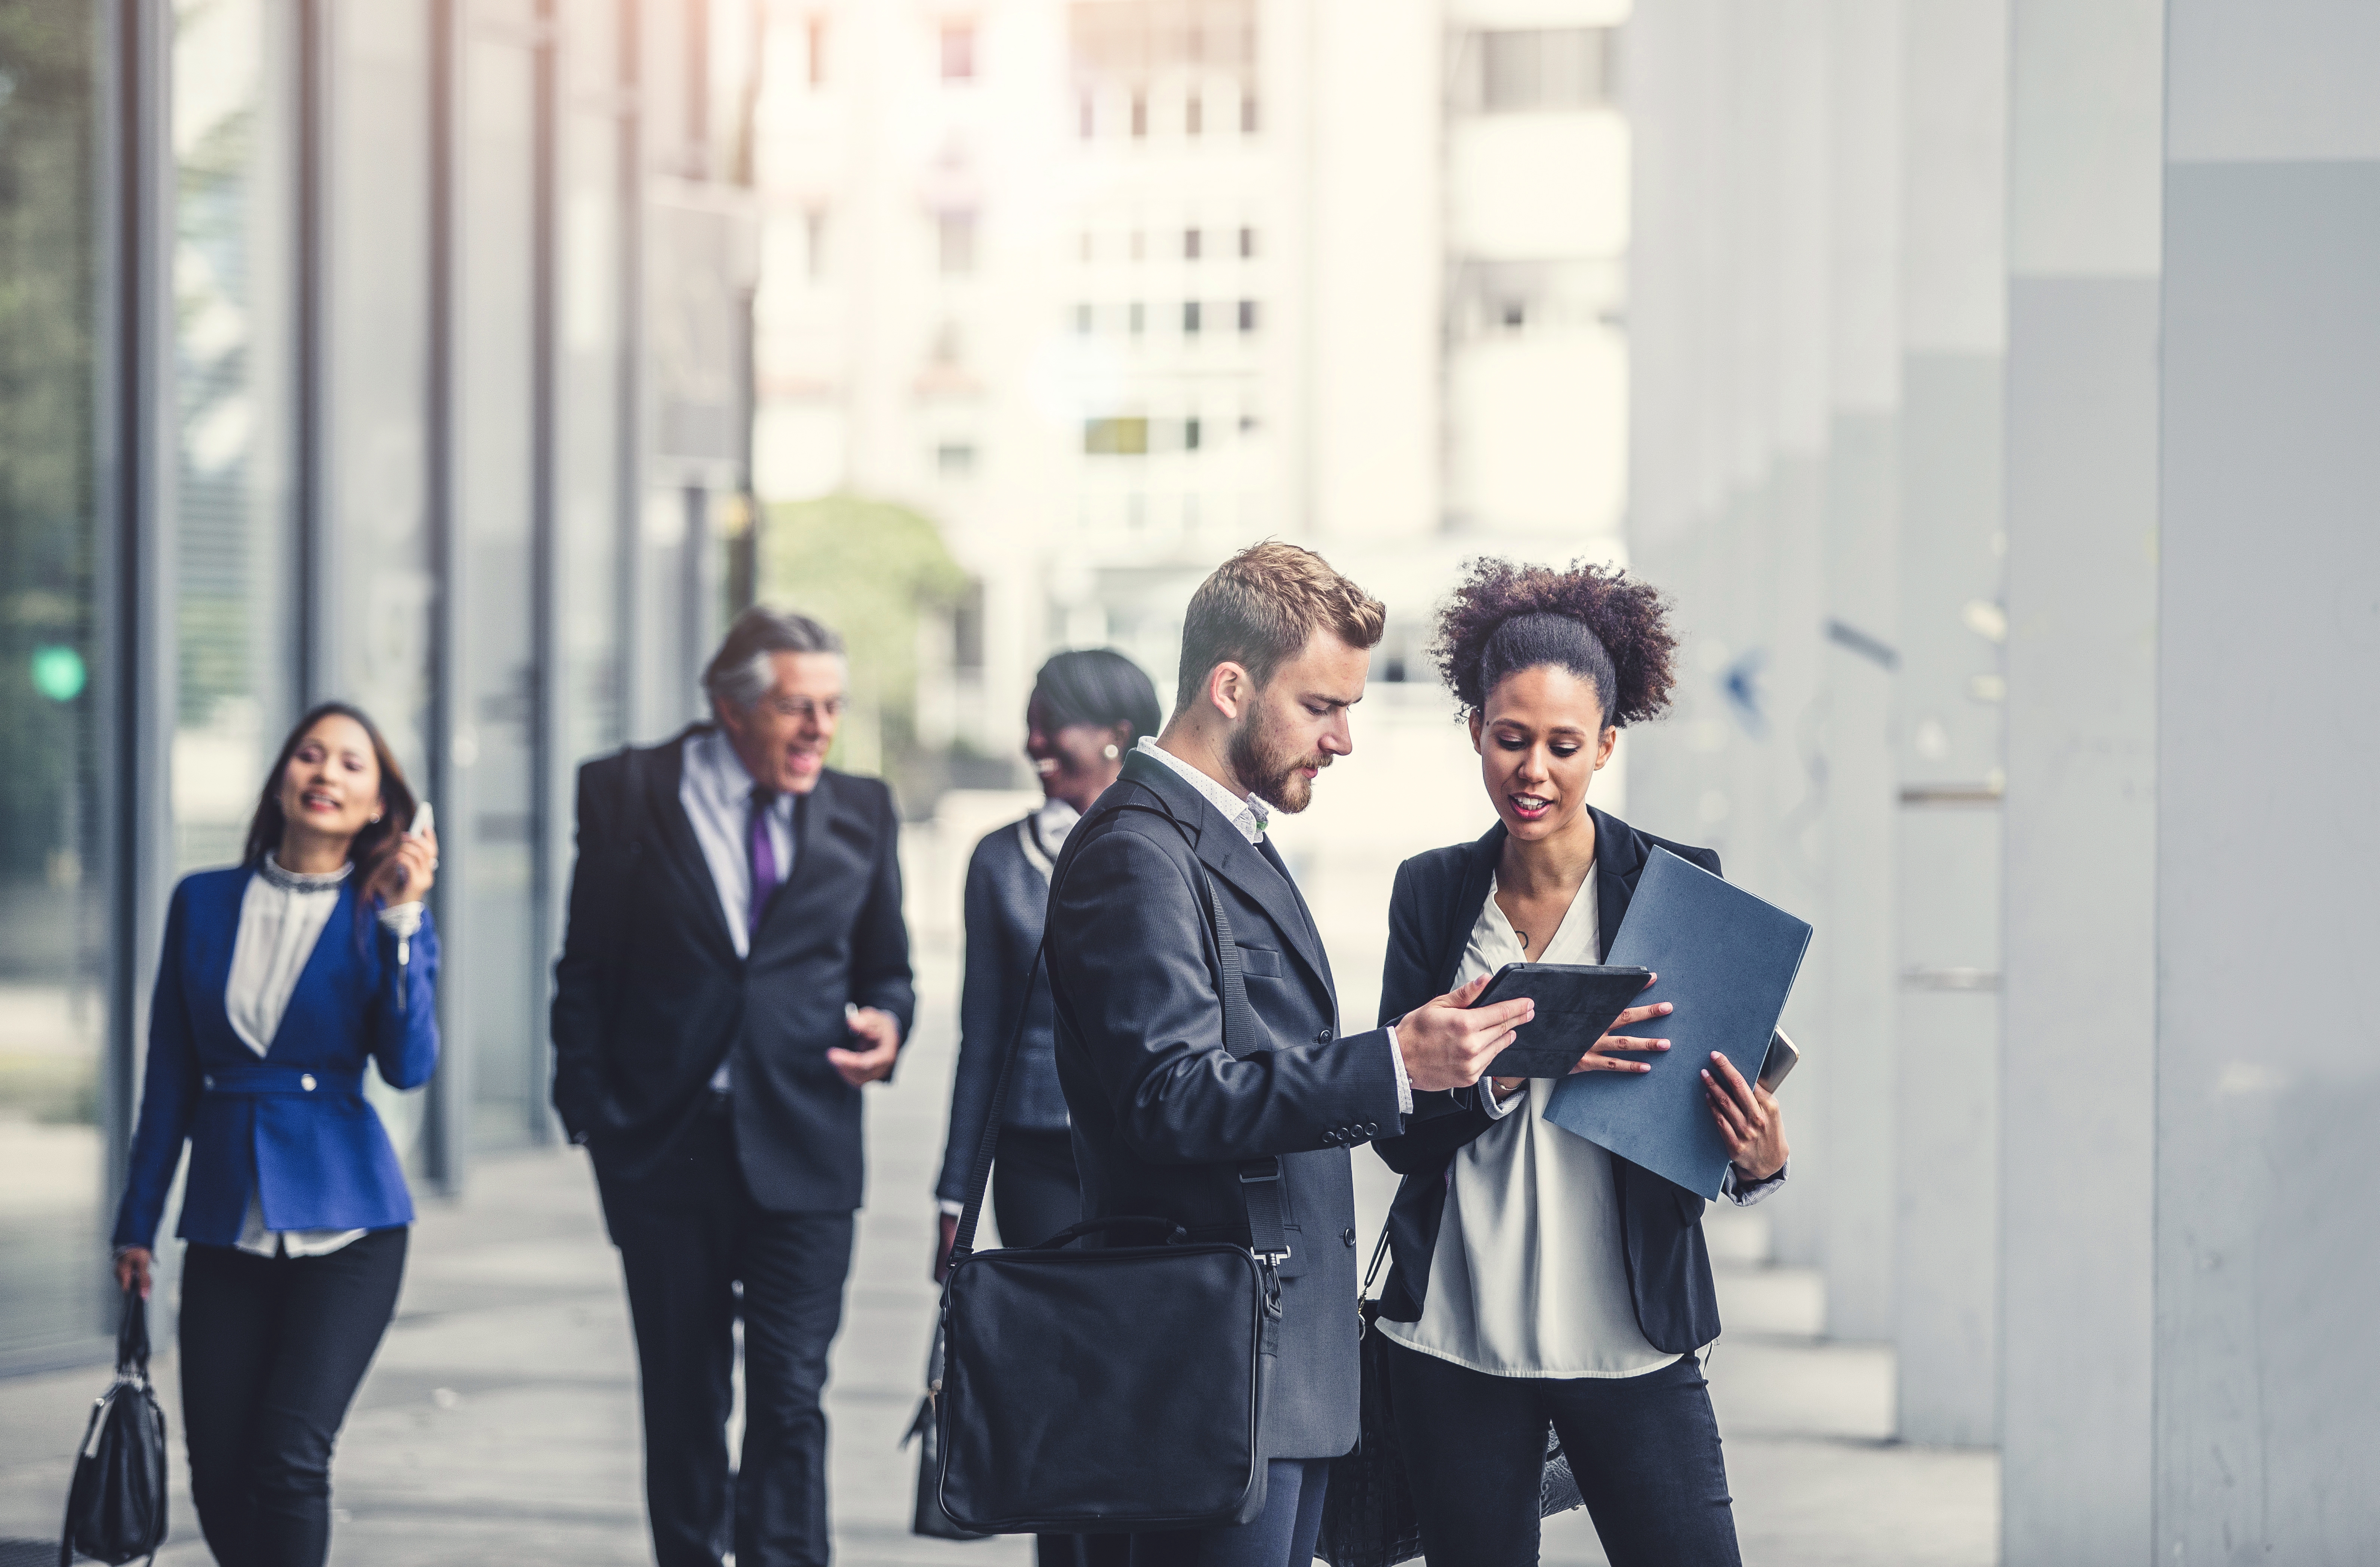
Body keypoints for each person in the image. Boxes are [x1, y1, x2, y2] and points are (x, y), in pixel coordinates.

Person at [1043, 542, 1536, 1567]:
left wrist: (1439, 1063)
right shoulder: (1139, 852)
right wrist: (1393, 1064)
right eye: (1322, 706)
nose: (1346, 738)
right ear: (1231, 685)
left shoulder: (1227, 836)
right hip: (1209, 1368)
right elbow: (1171, 1098)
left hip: (1273, 1365)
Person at [1370, 559, 1791, 1567]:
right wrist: (1506, 1066)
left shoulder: (1680, 890)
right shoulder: (1432, 895)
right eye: (1511, 739)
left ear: (1607, 744)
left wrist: (1761, 1159)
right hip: (1456, 1336)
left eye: (1564, 745)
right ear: (1475, 728)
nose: (1534, 771)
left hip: (1630, 1334)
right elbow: (1397, 1132)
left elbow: (1714, 1111)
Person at [550, 607, 913, 1567]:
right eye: (797, 708)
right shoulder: (627, 791)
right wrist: (591, 1114)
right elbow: (585, 965)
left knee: (791, 1396)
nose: (818, 730)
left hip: (807, 1144)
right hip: (664, 1148)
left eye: (832, 707)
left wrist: (889, 1027)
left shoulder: (863, 809)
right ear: (729, 705)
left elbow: (886, 970)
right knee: (683, 1395)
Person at [110, 702, 441, 1567]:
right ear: (282, 778)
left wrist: (406, 923)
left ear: (379, 806)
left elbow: (408, 1067)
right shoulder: (203, 902)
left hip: (351, 1226)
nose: (326, 773)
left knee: (291, 1461)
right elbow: (170, 1080)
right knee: (217, 1473)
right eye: (310, 755)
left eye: (351, 765)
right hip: (226, 1222)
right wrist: (136, 1222)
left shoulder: (385, 915)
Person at [931, 647, 1161, 1567]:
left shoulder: (1170, 844)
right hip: (1033, 1164)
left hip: (1150, 1157)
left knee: (1137, 1376)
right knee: (1056, 1378)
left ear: (1115, 736)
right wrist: (955, 1197)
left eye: (1047, 722)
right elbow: (978, 1035)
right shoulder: (999, 860)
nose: (1032, 742)